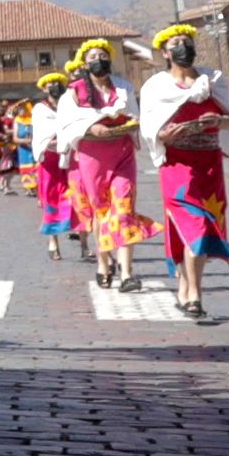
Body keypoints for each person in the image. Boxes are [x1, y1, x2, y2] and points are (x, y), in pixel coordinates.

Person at [136, 22, 229, 323]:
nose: (184, 47)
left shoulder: (213, 80)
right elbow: (151, 127)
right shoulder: (156, 86)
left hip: (209, 164)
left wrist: (217, 119)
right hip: (177, 166)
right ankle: (195, 295)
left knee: (203, 229)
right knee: (195, 226)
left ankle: (187, 285)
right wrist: (166, 132)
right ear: (165, 52)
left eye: (187, 41)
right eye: (176, 43)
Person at [52, 41, 152, 292]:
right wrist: (89, 128)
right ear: (85, 63)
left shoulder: (125, 88)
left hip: (122, 152)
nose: (99, 59)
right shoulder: (72, 94)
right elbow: (64, 125)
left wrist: (131, 125)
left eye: (103, 55)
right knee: (102, 211)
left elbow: (135, 116)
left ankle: (127, 272)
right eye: (93, 56)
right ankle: (103, 261)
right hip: (92, 155)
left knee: (125, 206)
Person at [27, 73, 77, 260]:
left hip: (70, 158)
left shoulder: (71, 106)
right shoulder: (40, 109)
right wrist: (59, 137)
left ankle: (84, 240)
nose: (55, 86)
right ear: (44, 88)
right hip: (49, 161)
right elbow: (42, 134)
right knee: (51, 201)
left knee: (77, 197)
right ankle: (53, 241)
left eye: (58, 83)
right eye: (50, 84)